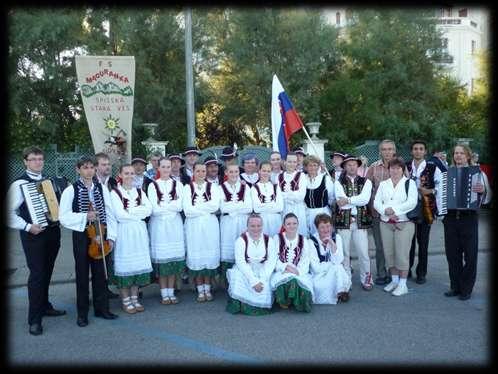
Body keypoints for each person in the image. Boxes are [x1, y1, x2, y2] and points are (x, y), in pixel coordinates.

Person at [7, 146, 66, 336]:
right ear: (25, 161)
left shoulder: (48, 181)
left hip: (52, 233)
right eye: (33, 159)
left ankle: (45, 305)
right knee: (37, 274)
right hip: (33, 235)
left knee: (47, 271)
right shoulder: (19, 185)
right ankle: (34, 319)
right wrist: (27, 226)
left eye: (40, 159)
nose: (37, 162)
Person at [59, 156, 119, 327]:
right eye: (85, 167)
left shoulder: (101, 188)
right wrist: (85, 216)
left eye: (91, 167)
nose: (89, 171)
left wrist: (112, 237)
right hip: (82, 236)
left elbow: (110, 213)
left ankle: (102, 309)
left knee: (101, 274)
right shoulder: (70, 190)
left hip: (101, 234)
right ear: (78, 170)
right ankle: (82, 313)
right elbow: (63, 217)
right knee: (82, 275)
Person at [443, 144, 491, 300]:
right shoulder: (447, 173)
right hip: (450, 218)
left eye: (461, 153)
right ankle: (455, 286)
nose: (458, 156)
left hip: (468, 218)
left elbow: (488, 196)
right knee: (452, 255)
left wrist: (483, 191)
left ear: (467, 156)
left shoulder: (478, 174)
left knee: (470, 255)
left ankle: (466, 289)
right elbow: (442, 194)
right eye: (456, 153)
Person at [109, 164, 153, 314]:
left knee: (137, 266)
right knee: (126, 266)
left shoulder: (140, 191)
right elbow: (119, 215)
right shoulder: (115, 193)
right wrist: (138, 212)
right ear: (120, 175)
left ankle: (135, 298)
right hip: (124, 232)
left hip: (139, 232)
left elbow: (149, 210)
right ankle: (125, 300)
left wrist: (131, 210)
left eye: (132, 173)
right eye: (126, 173)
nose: (129, 176)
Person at [373, 157, 418, 296]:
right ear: (389, 169)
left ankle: (403, 284)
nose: (395, 170)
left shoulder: (409, 183)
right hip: (386, 223)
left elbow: (412, 202)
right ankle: (394, 280)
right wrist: (385, 211)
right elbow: (376, 202)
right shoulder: (383, 184)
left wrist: (394, 211)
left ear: (403, 169)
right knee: (389, 253)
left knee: (402, 254)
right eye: (392, 168)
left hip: (403, 224)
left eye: (398, 168)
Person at [147, 157, 185, 305]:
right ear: (158, 168)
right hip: (160, 227)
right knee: (163, 262)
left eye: (168, 167)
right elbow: (153, 209)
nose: (166, 169)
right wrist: (171, 206)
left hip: (174, 226)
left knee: (172, 260)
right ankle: (164, 293)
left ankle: (171, 291)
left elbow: (181, 205)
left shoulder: (178, 185)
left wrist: (164, 205)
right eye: (163, 167)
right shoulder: (152, 186)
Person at [183, 161, 222, 302]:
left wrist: (197, 208)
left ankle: (207, 287)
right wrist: (205, 208)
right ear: (193, 172)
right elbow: (187, 210)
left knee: (208, 256)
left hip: (210, 226)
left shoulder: (213, 187)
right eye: (198, 171)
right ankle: (200, 290)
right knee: (197, 255)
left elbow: (215, 205)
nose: (201, 174)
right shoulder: (187, 188)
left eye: (203, 171)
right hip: (194, 227)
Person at [406, 140, 443, 284]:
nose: (418, 151)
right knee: (408, 242)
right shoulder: (406, 166)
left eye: (421, 149)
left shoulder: (433, 167)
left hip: (426, 208)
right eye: (415, 149)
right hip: (408, 208)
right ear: (411, 151)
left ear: (425, 151)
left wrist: (431, 190)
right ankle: (406, 269)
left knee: (423, 243)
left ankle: (421, 273)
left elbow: (441, 186)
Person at [334, 155, 374, 291]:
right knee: (344, 253)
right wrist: (351, 201)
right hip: (343, 221)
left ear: (358, 166)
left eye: (354, 164)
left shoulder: (366, 182)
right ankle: (346, 280)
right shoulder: (338, 182)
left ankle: (366, 278)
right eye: (348, 165)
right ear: (344, 167)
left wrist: (348, 201)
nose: (352, 167)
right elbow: (340, 202)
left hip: (360, 221)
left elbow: (364, 199)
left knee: (363, 252)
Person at [226, 214, 278, 315]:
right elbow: (240, 262)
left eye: (259, 226)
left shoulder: (269, 240)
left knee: (265, 285)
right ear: (247, 226)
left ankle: (260, 306)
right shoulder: (241, 240)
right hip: (246, 269)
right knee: (237, 276)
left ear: (262, 226)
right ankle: (242, 305)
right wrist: (253, 281)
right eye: (252, 226)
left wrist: (262, 279)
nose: (256, 228)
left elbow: (271, 261)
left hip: (263, 270)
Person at [366, 139, 396, 286]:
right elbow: (366, 189)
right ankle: (381, 273)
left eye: (390, 149)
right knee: (380, 246)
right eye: (384, 149)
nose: (387, 152)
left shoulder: (400, 167)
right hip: (378, 214)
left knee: (395, 245)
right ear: (380, 151)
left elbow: (407, 187)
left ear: (394, 151)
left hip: (397, 215)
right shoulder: (373, 168)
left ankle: (394, 274)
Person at [270, 213, 315, 312]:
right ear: (284, 225)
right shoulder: (277, 238)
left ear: (298, 224)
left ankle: (297, 301)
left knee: (298, 282)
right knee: (285, 280)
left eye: (294, 223)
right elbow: (273, 258)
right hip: (282, 271)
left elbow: (305, 259)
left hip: (298, 271)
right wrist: (285, 267)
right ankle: (284, 301)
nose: (292, 226)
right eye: (289, 224)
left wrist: (297, 271)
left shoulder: (303, 239)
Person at [220, 164, 253, 284]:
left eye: (236, 172)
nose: (234, 174)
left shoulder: (246, 187)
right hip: (228, 223)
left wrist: (232, 207)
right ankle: (227, 282)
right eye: (231, 171)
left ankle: (243, 280)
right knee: (229, 250)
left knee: (243, 248)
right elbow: (222, 208)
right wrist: (240, 205)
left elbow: (249, 207)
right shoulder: (221, 188)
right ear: (226, 173)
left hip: (243, 222)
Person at [309, 214, 351, 304]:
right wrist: (331, 265)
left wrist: (332, 244)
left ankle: (340, 292)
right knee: (337, 268)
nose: (326, 230)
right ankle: (340, 291)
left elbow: (339, 260)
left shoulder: (336, 238)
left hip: (334, 271)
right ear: (317, 229)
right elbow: (316, 268)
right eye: (322, 227)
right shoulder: (311, 242)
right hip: (319, 276)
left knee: (338, 267)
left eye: (328, 226)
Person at [94, 152, 119, 299]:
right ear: (96, 167)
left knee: (108, 259)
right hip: (95, 228)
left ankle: (105, 288)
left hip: (111, 224)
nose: (107, 167)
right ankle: (98, 292)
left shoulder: (113, 182)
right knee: (96, 261)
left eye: (109, 164)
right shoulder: (92, 182)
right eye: (103, 164)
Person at [303, 155, 335, 236]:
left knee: (324, 235)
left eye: (315, 165)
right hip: (308, 213)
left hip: (323, 212)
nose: (312, 168)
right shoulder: (303, 179)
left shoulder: (325, 179)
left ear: (318, 167)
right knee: (311, 236)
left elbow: (331, 197)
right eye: (310, 165)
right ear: (306, 167)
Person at [278, 152, 308, 237]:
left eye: (294, 162)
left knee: (299, 233)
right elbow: (278, 196)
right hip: (284, 209)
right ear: (285, 162)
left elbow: (301, 196)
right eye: (290, 161)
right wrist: (293, 195)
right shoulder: (279, 176)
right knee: (284, 234)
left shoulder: (301, 176)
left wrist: (285, 195)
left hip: (298, 209)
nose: (292, 164)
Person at [252, 161, 284, 236]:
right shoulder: (254, 188)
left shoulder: (276, 187)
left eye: (268, 171)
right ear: (259, 171)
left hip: (276, 220)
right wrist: (273, 204)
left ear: (271, 172)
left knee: (277, 241)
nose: (266, 173)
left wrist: (263, 206)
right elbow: (256, 208)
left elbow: (280, 207)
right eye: (264, 171)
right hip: (262, 220)